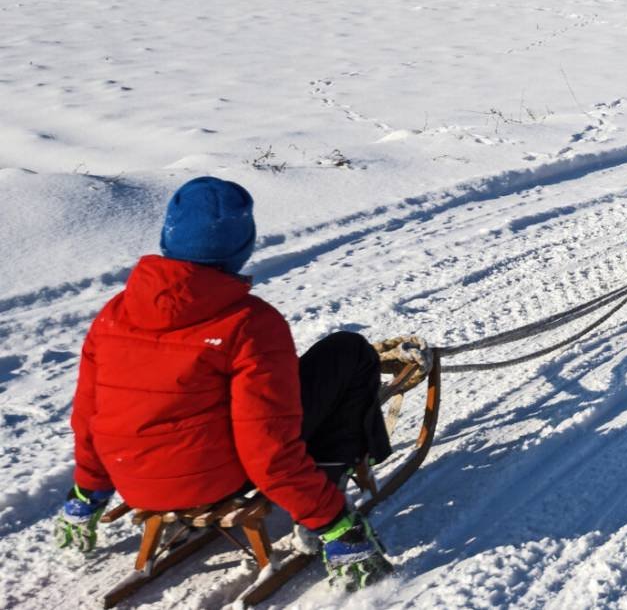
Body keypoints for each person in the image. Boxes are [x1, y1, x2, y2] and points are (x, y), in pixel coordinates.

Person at [55, 176, 393, 590]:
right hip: (219, 480)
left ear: (167, 237)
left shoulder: (115, 312)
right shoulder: (252, 323)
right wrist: (333, 521)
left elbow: (88, 413)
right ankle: (329, 483)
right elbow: (266, 445)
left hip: (133, 479)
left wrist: (87, 492)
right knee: (348, 352)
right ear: (242, 246)